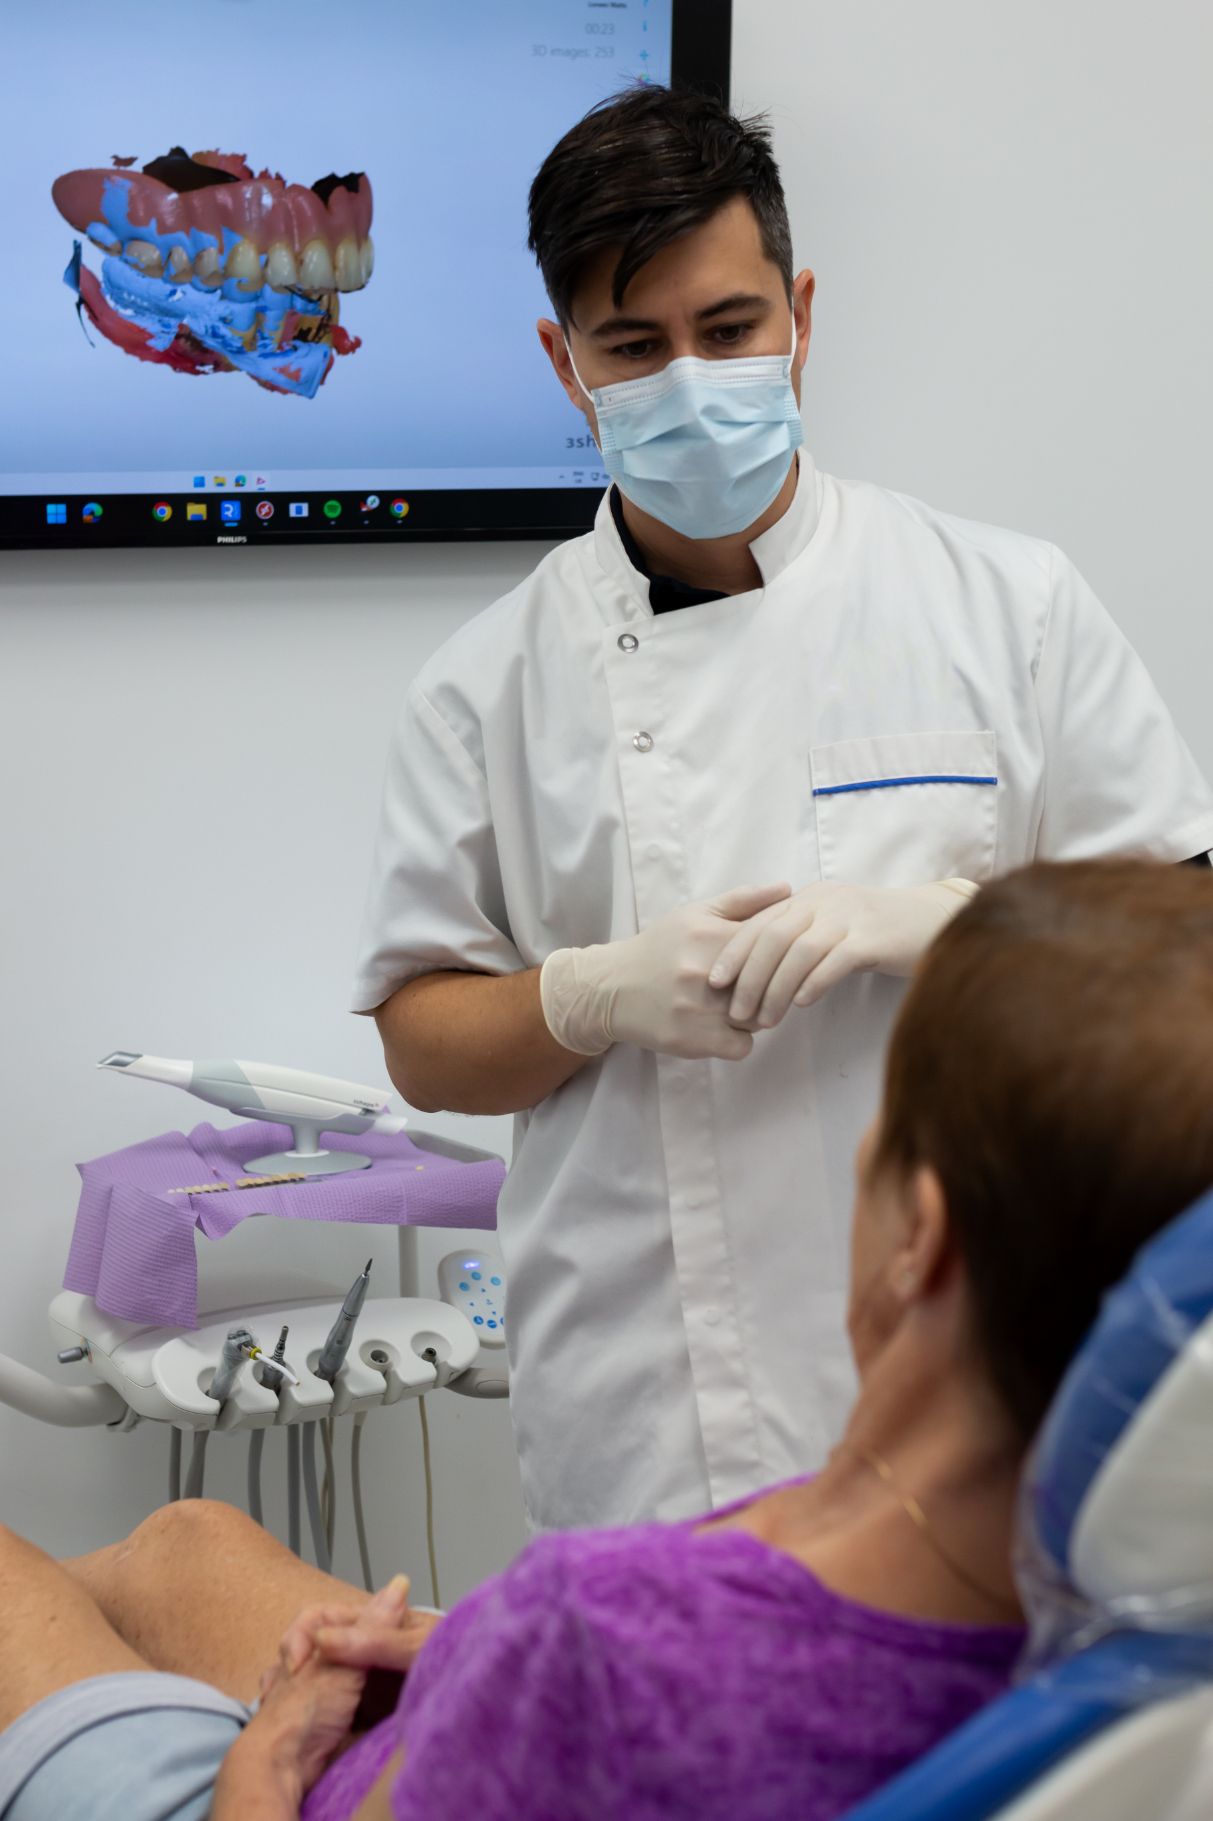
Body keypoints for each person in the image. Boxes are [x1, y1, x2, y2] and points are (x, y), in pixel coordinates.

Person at [353, 87, 1213, 1537]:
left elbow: (1182, 932)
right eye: (635, 347)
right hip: (647, 1388)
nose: (690, 379)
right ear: (565, 364)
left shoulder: (1004, 604)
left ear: (799, 310)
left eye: (730, 329)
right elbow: (422, 1041)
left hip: (977, 1360)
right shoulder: (484, 686)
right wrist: (587, 994)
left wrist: (937, 923)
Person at [6, 858, 1213, 1821]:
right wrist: (474, 1662)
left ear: (925, 1242)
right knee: (187, 1539)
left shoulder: (605, 1640)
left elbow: (640, 1688)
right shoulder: (1109, 1620)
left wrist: (258, 1774)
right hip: (493, 1728)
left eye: (880, 1125)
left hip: (285, 1790)